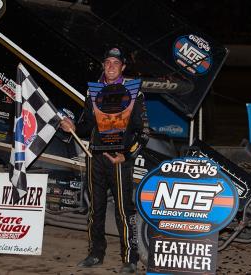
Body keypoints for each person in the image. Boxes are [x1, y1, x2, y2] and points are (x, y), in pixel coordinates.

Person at [60, 47, 150, 274]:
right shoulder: (93, 92)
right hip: (95, 157)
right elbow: (86, 126)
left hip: (119, 159)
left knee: (123, 209)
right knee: (95, 208)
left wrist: (126, 155)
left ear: (123, 67)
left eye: (115, 63)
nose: (110, 66)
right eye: (107, 62)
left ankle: (130, 257)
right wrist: (71, 126)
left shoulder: (134, 93)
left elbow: (144, 133)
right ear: (103, 65)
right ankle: (95, 253)